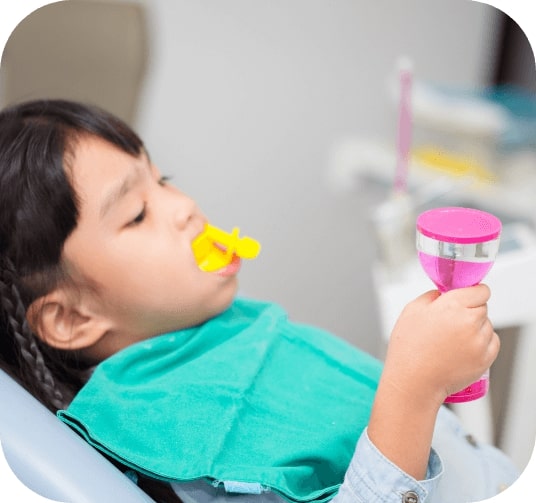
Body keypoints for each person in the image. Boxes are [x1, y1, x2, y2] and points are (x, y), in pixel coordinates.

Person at [0, 99, 519, 503]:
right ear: (70, 317)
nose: (185, 207)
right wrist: (414, 388)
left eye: (164, 181)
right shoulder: (181, 437)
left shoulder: (223, 334)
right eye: (137, 212)